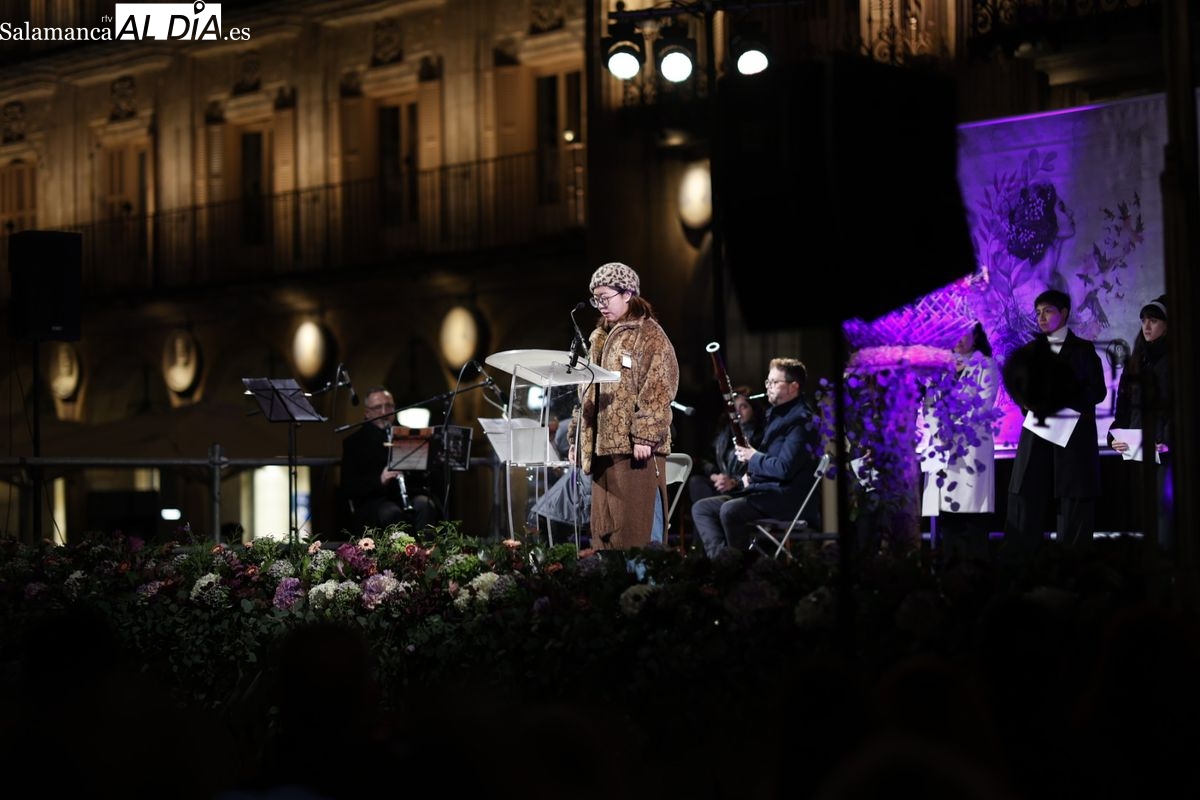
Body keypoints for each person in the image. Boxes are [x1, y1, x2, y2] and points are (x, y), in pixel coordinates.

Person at [567, 261, 679, 550]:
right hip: (601, 450)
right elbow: (585, 393)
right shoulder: (598, 338)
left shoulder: (649, 333)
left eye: (605, 297)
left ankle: (648, 578)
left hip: (635, 450)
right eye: (596, 299)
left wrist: (645, 435)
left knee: (638, 531)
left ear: (628, 293)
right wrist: (577, 438)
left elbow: (660, 385)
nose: (600, 305)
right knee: (607, 532)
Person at [1001, 289, 1106, 558]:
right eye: (1038, 313)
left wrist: (1060, 398)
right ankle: (1022, 565)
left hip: (1072, 437)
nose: (1041, 318)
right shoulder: (1030, 351)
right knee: (1025, 496)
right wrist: (1026, 401)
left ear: (1064, 313)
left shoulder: (1082, 350)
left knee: (1073, 503)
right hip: (1038, 432)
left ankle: (1073, 568)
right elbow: (1019, 389)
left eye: (1047, 311)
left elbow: (1097, 391)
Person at [690, 357, 822, 559]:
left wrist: (753, 456)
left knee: (730, 510)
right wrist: (750, 476)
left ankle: (741, 568)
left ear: (793, 387)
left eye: (774, 382)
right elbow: (771, 460)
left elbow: (784, 468)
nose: (768, 386)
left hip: (788, 498)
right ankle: (722, 563)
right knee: (702, 508)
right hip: (766, 492)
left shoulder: (801, 421)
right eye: (768, 381)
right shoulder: (777, 415)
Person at [918, 322, 1001, 565]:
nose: (959, 339)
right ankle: (949, 570)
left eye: (964, 334)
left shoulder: (986, 365)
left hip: (970, 449)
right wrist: (938, 429)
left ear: (975, 336)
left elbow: (983, 406)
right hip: (942, 449)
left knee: (972, 515)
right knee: (947, 516)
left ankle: (976, 570)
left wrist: (951, 430)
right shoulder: (940, 367)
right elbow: (929, 405)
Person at [1107, 295, 1170, 547]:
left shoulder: (1174, 360)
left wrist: (1167, 440)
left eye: (1153, 320)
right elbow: (1123, 406)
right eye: (1143, 320)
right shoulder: (1136, 360)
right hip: (1136, 448)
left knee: (1164, 513)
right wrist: (1115, 435)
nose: (1146, 326)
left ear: (1167, 325)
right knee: (1142, 514)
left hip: (1164, 450)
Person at [340, 385, 441, 534]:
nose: (384, 412)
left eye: (388, 406)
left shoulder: (408, 434)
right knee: (391, 513)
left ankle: (425, 548)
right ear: (367, 413)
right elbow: (349, 487)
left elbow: (423, 478)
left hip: (407, 495)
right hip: (374, 501)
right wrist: (381, 479)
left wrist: (415, 466)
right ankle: (402, 550)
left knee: (425, 505)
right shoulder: (354, 442)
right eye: (377, 407)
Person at [686, 386, 765, 506]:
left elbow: (758, 468)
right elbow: (707, 459)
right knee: (696, 482)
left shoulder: (760, 434)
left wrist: (734, 482)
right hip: (722, 483)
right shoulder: (725, 432)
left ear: (754, 409)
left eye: (743, 407)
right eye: (734, 408)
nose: (738, 413)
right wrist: (716, 476)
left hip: (742, 487)